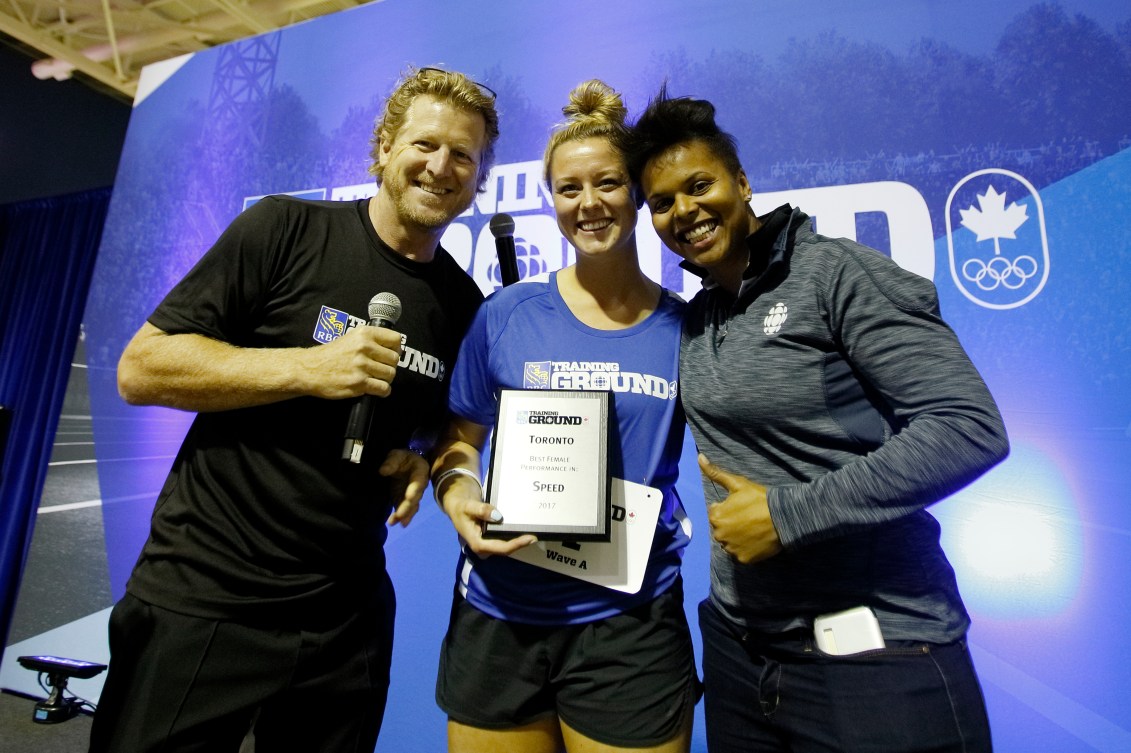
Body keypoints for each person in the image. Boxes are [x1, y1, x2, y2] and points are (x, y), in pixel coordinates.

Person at [88, 66, 499, 753]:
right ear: (384, 149)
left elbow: (439, 425)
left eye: (463, 154)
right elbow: (142, 367)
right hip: (205, 596)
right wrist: (305, 368)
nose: (440, 166)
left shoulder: (463, 306)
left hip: (345, 617)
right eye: (424, 144)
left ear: (479, 176)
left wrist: (421, 459)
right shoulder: (284, 227)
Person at [624, 89, 1010, 753]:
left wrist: (787, 514)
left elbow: (966, 425)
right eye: (661, 202)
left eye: (698, 185)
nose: (683, 210)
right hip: (743, 656)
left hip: (877, 656)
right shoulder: (697, 314)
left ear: (740, 182)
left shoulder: (836, 275)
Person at [429, 80, 698, 753]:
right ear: (550, 199)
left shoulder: (685, 328)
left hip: (628, 622)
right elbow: (459, 440)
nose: (588, 204)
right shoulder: (506, 314)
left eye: (607, 182)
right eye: (568, 189)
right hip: (499, 613)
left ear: (636, 191)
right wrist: (457, 489)